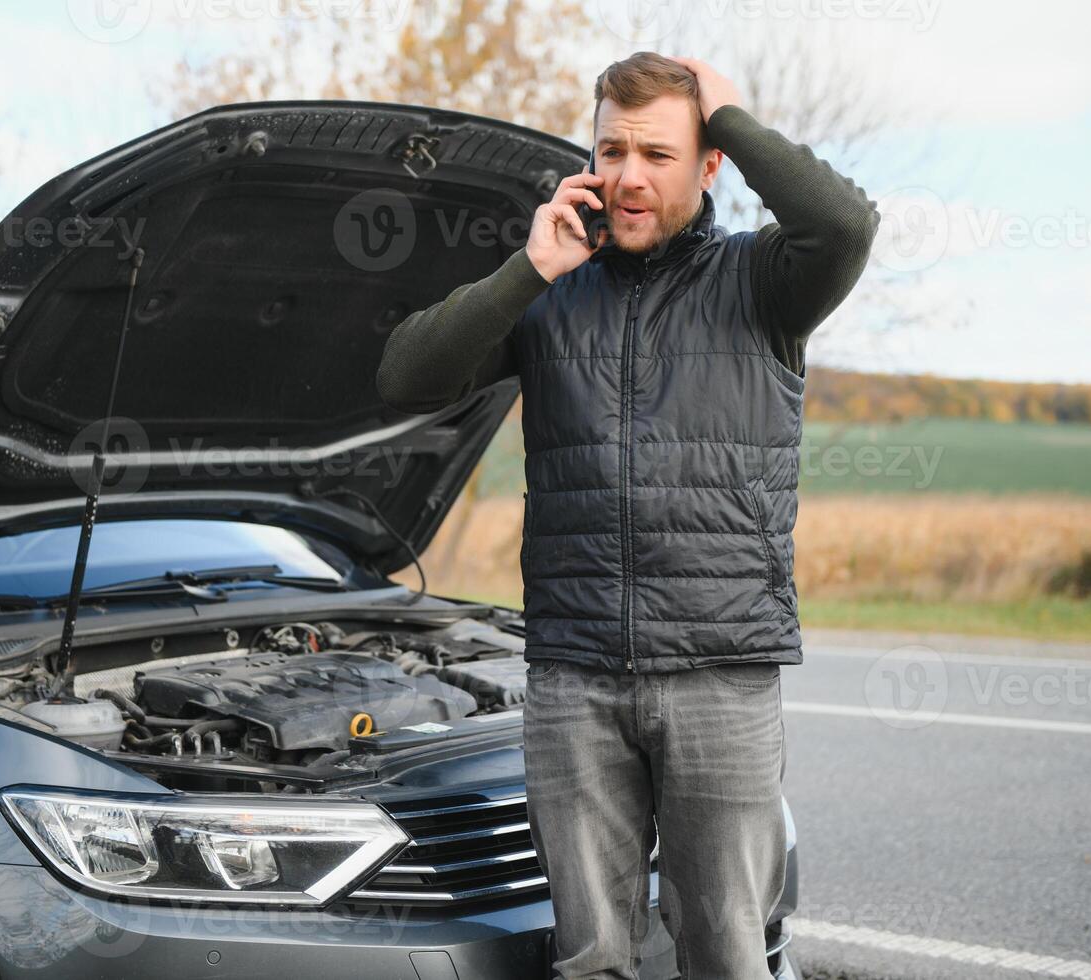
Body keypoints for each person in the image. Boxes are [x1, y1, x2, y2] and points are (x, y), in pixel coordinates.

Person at [375, 51, 878, 980]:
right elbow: (407, 377)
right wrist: (526, 271)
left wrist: (728, 113)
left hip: (719, 674)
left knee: (726, 956)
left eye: (659, 152)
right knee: (591, 960)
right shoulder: (548, 292)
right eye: (612, 150)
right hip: (573, 680)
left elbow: (843, 223)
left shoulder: (763, 281)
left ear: (708, 163)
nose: (631, 176)